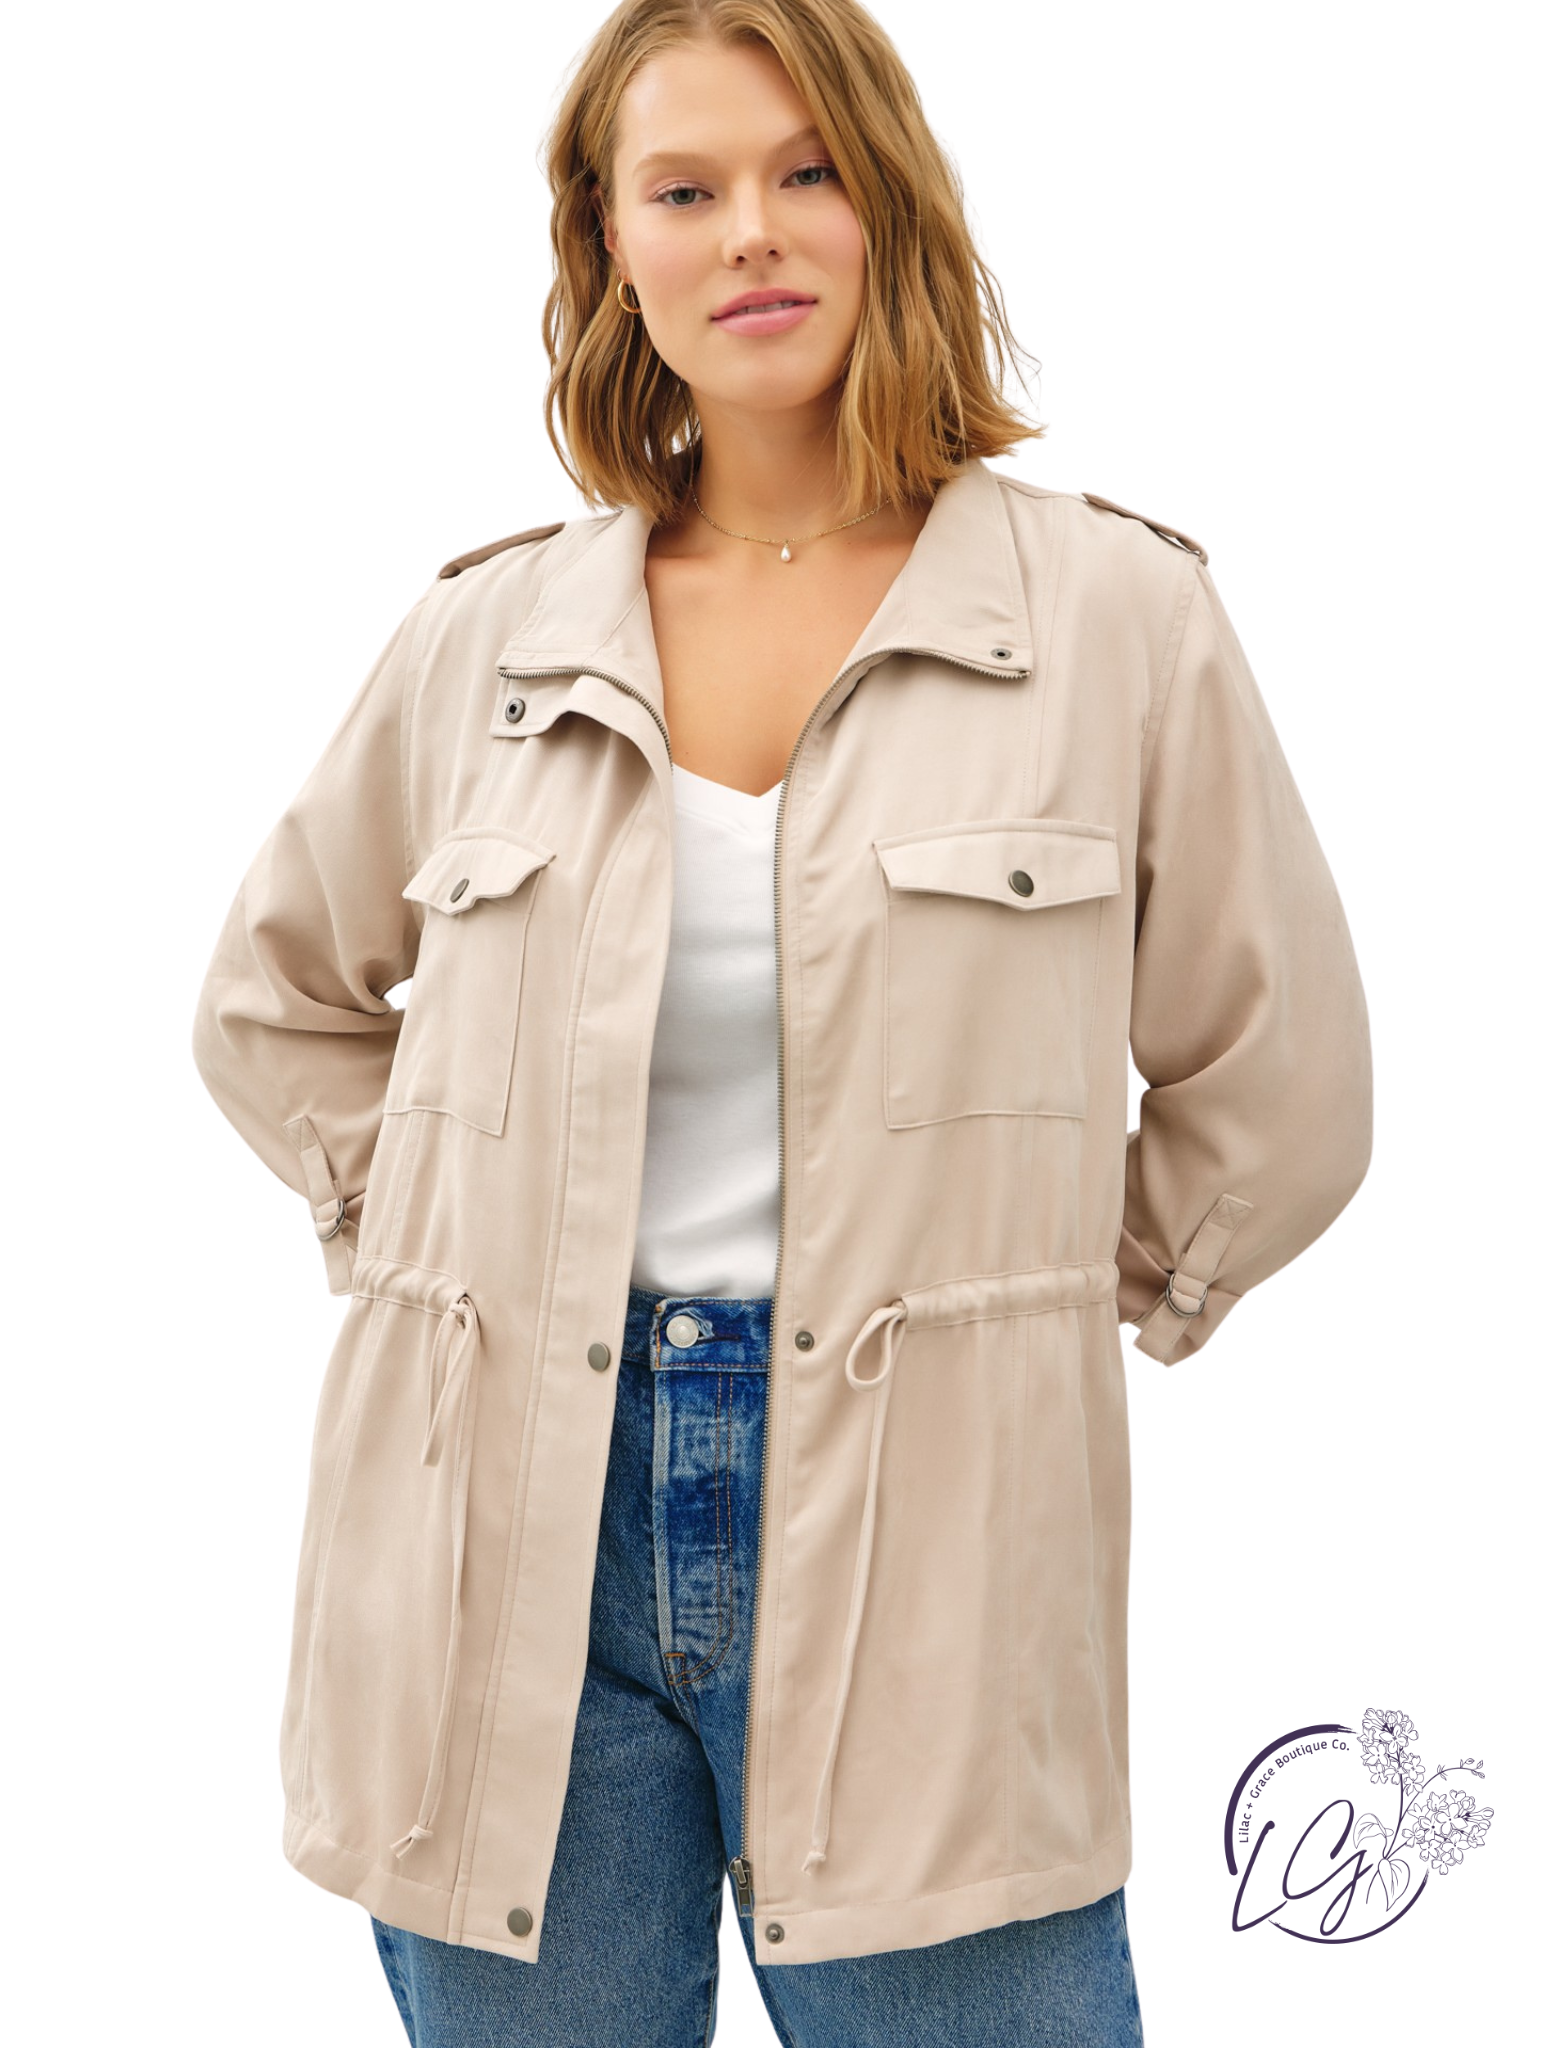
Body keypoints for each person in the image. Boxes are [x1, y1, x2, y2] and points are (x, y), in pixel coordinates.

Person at [190, 1, 1373, 2042]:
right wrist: (442, 1248)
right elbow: (271, 999)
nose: (751, 229)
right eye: (685, 188)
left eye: (805, 171)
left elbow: (1282, 1083)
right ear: (614, 244)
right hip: (501, 1542)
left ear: (886, 202)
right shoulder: (486, 638)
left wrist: (1018, 1304)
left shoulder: (1111, 618)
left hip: (936, 1545)